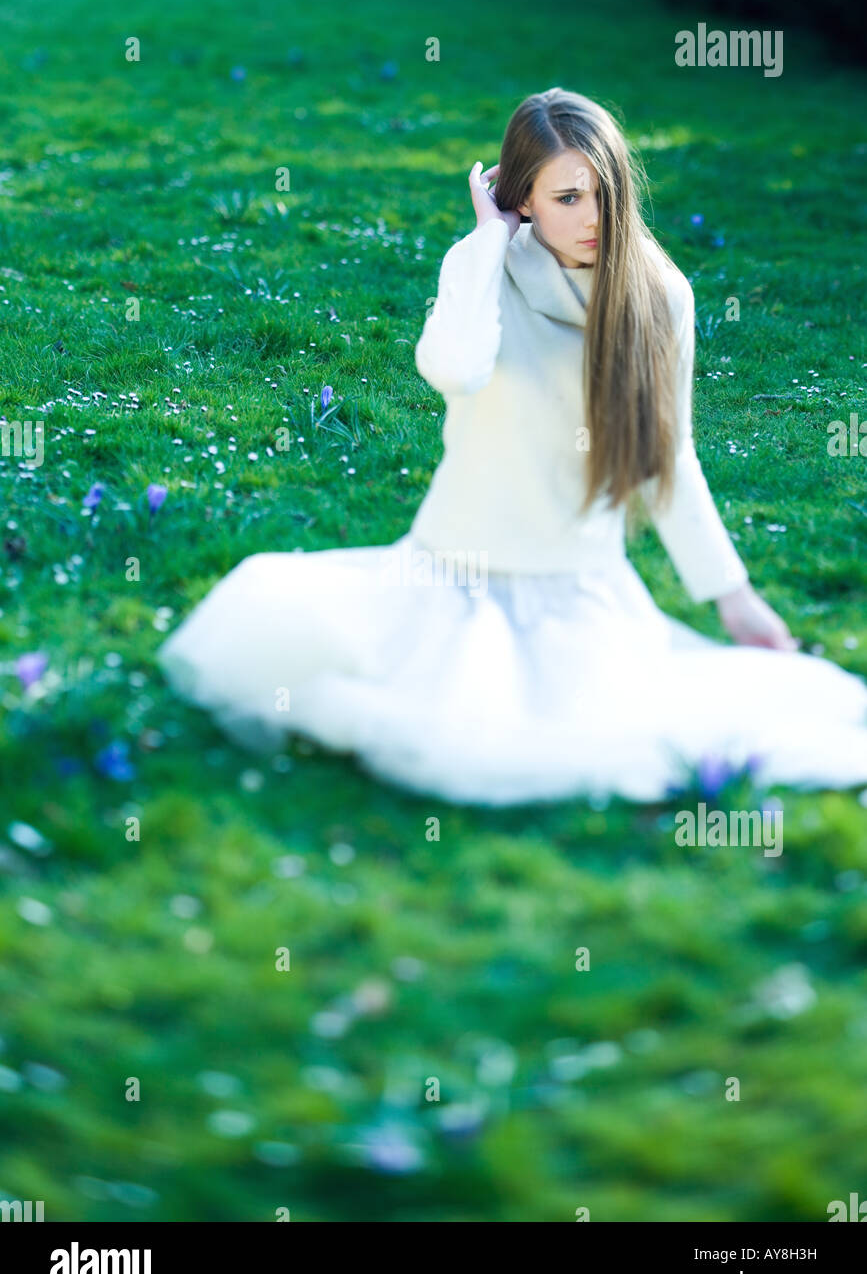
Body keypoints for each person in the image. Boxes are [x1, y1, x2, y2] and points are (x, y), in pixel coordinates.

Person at [157, 87, 867, 804]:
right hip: (451, 574)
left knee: (609, 740)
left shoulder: (660, 295)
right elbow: (452, 370)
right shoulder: (478, 269)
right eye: (565, 198)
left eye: (603, 193)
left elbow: (667, 455)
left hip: (579, 589)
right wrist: (486, 241)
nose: (592, 218)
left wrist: (731, 597)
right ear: (519, 199)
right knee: (426, 722)